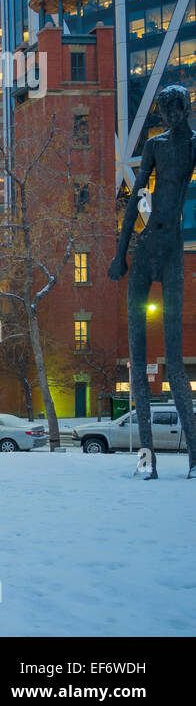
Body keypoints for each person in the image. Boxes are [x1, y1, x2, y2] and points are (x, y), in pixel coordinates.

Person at [109, 84, 196, 478]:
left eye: (174, 109)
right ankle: (147, 460)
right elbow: (134, 199)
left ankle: (195, 457)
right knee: (137, 358)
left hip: (173, 249)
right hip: (146, 248)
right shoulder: (155, 145)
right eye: (164, 110)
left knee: (175, 361)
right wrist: (119, 253)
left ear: (186, 109)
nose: (169, 116)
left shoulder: (192, 145)